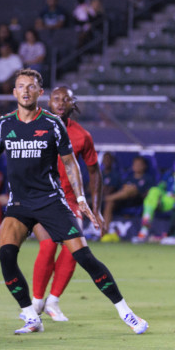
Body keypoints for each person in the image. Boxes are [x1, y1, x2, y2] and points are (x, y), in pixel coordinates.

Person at [0, 68, 147, 336]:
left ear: (40, 92)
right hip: (20, 204)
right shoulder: (4, 124)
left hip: (51, 201)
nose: (26, 90)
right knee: (6, 254)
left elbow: (71, 164)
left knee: (84, 256)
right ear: (14, 92)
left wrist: (82, 198)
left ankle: (126, 312)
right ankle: (30, 315)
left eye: (31, 86)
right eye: (20, 86)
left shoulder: (52, 124)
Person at [29, 86, 104, 323]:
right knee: (49, 245)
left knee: (75, 249)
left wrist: (96, 207)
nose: (61, 103)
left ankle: (53, 300)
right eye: (57, 98)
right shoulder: (33, 125)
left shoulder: (83, 136)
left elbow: (94, 173)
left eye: (66, 99)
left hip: (70, 199)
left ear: (74, 104)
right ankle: (36, 303)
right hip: (42, 196)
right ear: (48, 102)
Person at [134, 153, 175, 243]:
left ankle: (144, 231)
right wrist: (159, 197)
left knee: (151, 199)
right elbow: (160, 187)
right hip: (163, 199)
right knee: (153, 191)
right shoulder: (169, 174)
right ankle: (144, 230)